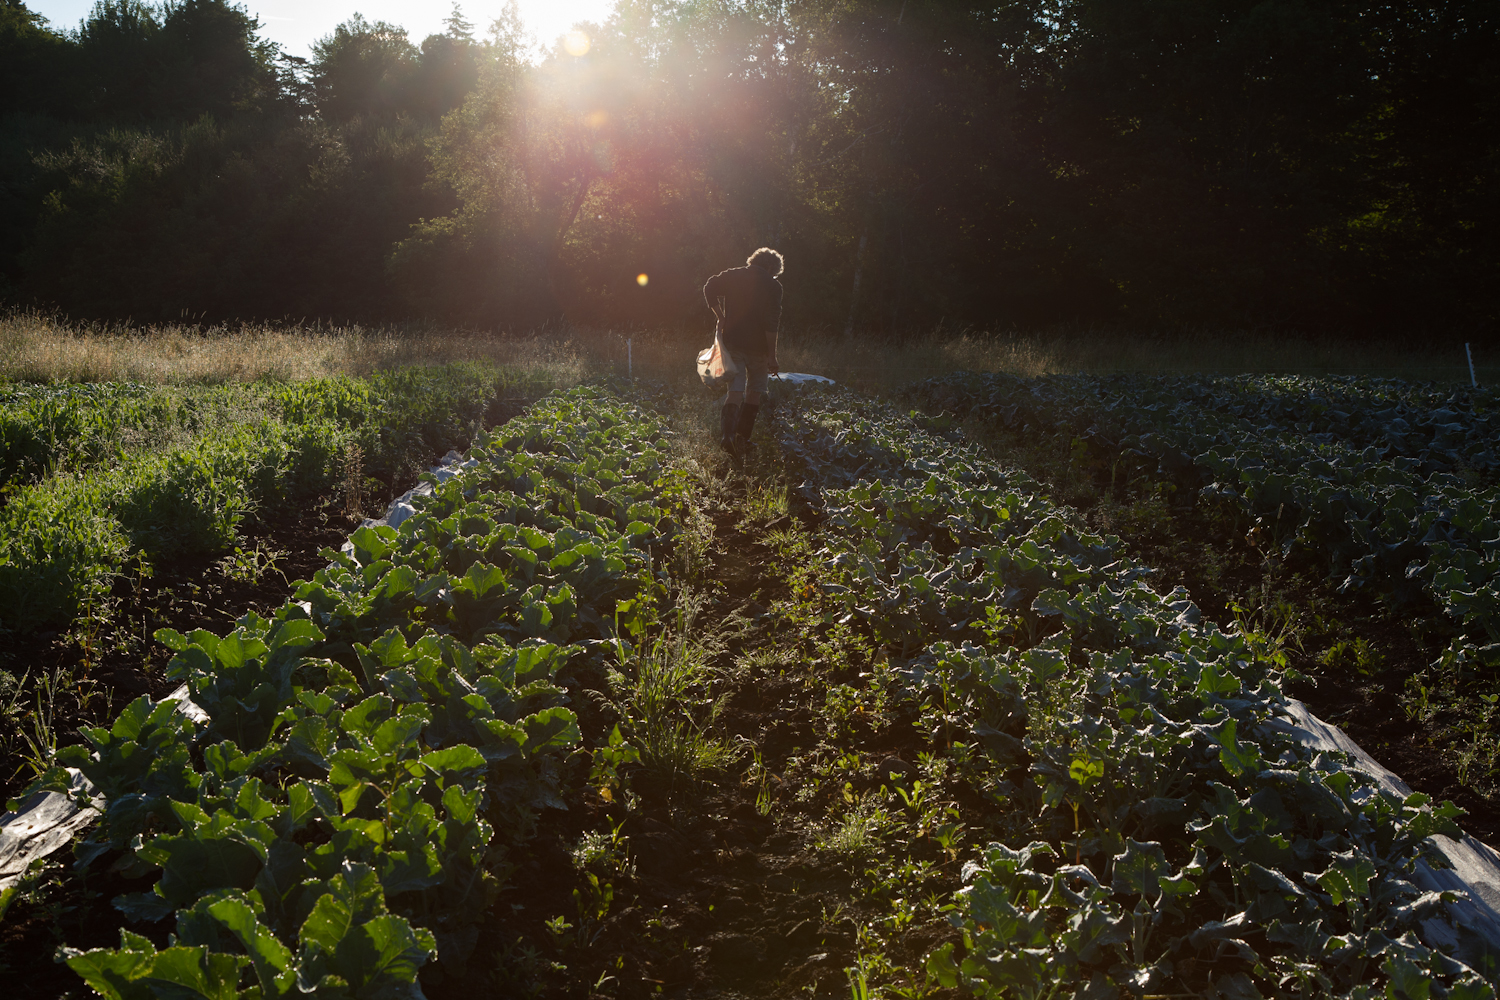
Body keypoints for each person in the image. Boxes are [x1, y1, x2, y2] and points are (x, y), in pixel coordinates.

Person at [703, 247, 783, 458]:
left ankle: (727, 437)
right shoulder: (773, 287)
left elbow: (709, 286)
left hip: (733, 343)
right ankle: (742, 439)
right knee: (754, 392)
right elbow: (771, 324)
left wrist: (721, 316)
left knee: (735, 391)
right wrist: (772, 356)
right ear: (770, 267)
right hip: (759, 350)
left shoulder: (734, 275)